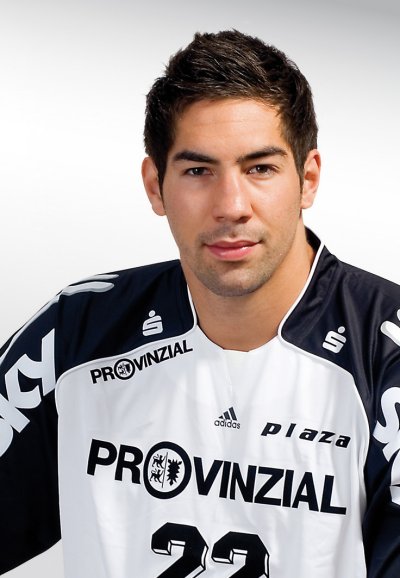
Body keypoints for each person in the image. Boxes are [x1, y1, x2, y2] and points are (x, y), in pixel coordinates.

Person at [0, 29, 399, 578]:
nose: (231, 205)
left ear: (308, 179)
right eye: (197, 171)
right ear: (155, 186)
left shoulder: (385, 356)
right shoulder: (75, 333)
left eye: (260, 168)